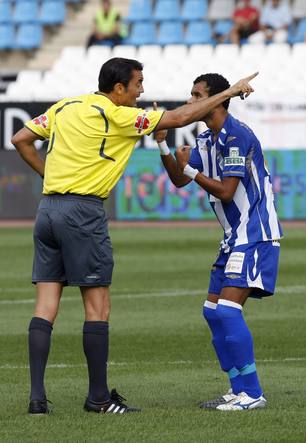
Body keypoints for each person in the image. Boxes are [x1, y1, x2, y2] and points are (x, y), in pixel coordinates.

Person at [11, 57, 256, 415]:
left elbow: (21, 139)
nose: (142, 91)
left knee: (45, 306)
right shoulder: (119, 115)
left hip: (47, 210)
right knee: (98, 307)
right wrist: (232, 90)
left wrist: (50, 177)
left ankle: (36, 400)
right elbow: (180, 118)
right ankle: (98, 399)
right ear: (119, 88)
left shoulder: (66, 105)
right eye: (138, 84)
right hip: (83, 212)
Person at [154, 72, 282, 411]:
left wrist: (192, 171)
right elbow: (180, 180)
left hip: (255, 233)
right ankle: (237, 389)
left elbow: (226, 190)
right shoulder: (206, 138)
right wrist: (163, 144)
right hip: (233, 237)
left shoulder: (236, 135)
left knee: (227, 310)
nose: (191, 101)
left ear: (216, 100)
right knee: (212, 311)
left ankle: (253, 394)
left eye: (197, 96)